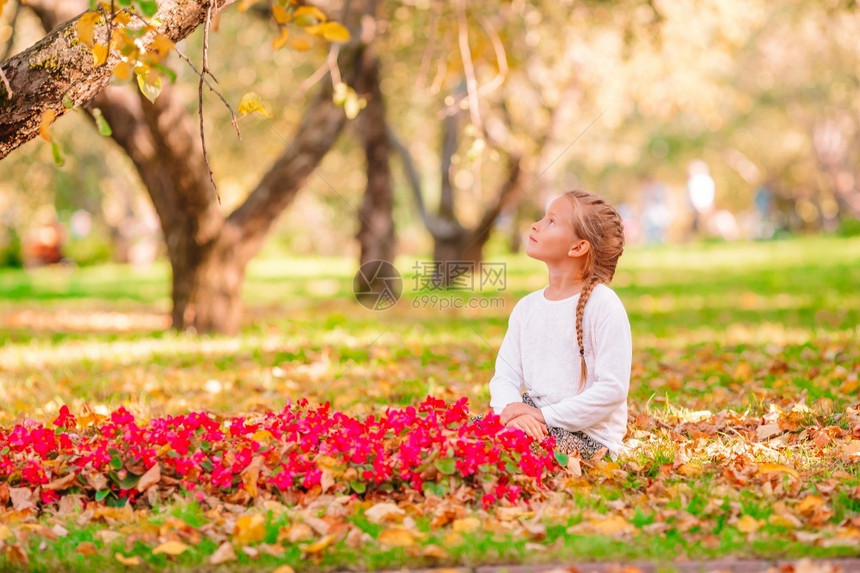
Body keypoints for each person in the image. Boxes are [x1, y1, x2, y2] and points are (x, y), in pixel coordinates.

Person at [489, 190, 632, 460]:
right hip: (533, 418)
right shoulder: (527, 307)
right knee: (469, 431)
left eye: (551, 221)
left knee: (509, 445)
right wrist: (511, 411)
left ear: (578, 247)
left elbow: (612, 389)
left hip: (588, 438)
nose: (536, 225)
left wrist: (543, 416)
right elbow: (505, 376)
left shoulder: (604, 306)